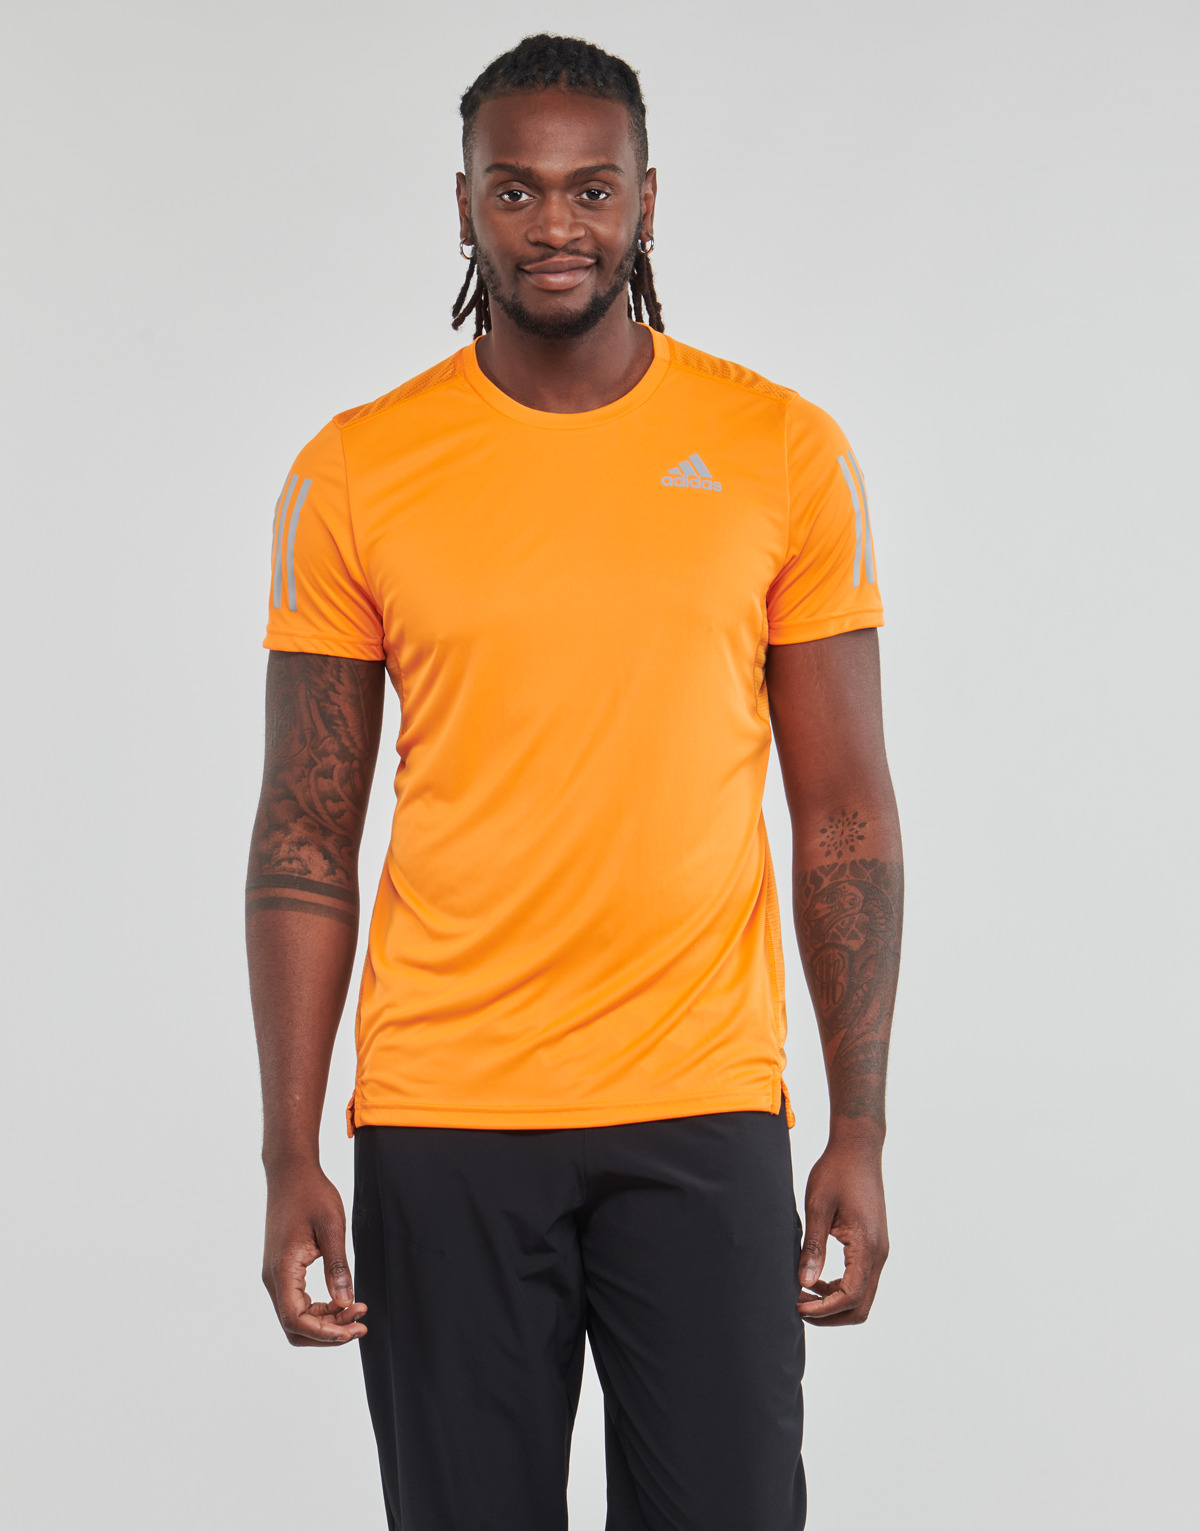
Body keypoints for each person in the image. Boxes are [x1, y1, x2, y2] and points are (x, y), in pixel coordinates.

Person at [246, 33, 902, 1531]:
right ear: (463, 206)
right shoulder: (357, 471)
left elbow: (847, 816)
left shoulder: (779, 451)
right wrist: (290, 1149)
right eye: (518, 190)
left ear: (648, 201)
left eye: (593, 189)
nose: (557, 224)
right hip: (444, 1117)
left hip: (702, 1106)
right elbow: (303, 835)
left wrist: (858, 1125)